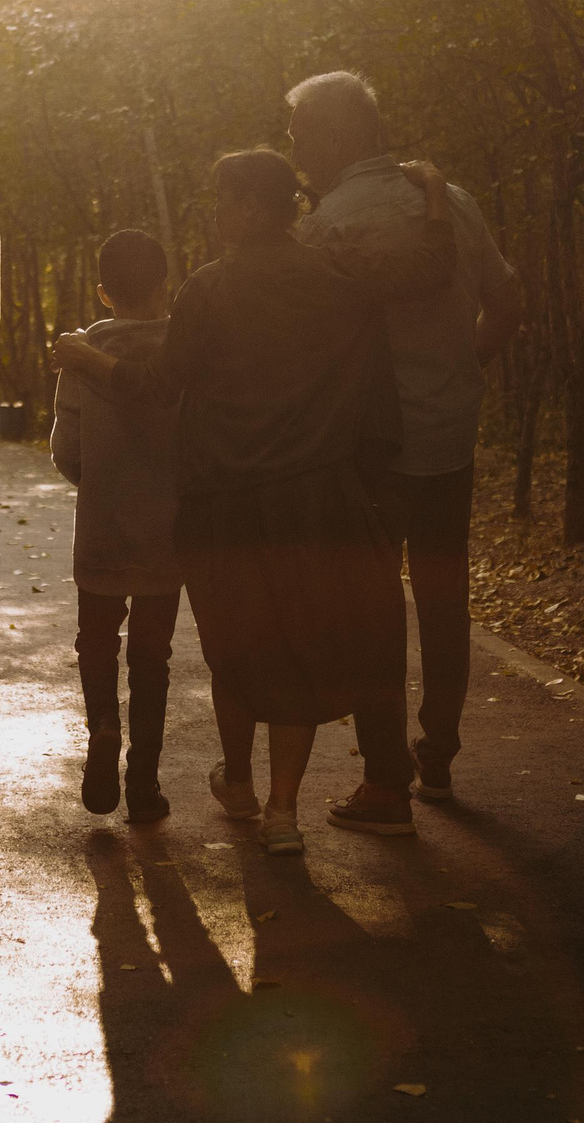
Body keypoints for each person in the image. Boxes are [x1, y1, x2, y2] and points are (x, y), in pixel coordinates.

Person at [53, 150, 454, 856]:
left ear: (250, 207)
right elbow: (427, 270)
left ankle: (237, 780)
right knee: (294, 643)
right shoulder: (337, 280)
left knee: (239, 647)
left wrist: (90, 360)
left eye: (222, 200)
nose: (215, 214)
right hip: (316, 497)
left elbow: (162, 383)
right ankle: (281, 810)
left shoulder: (213, 289)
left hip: (226, 504)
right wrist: (438, 200)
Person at [284, 72, 519, 816]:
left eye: (298, 137)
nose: (293, 154)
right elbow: (510, 304)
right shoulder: (449, 203)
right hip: (450, 439)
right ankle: (439, 753)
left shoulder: (321, 229)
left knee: (369, 606)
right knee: (446, 597)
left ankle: (386, 780)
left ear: (332, 135)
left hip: (371, 454)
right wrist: (457, 372)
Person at [48, 229, 181, 823]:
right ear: (166, 284)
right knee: (153, 655)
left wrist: (98, 481)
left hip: (101, 525)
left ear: (104, 294)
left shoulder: (81, 353)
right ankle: (144, 782)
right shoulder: (182, 348)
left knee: (96, 639)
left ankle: (103, 724)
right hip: (167, 530)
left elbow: (66, 449)